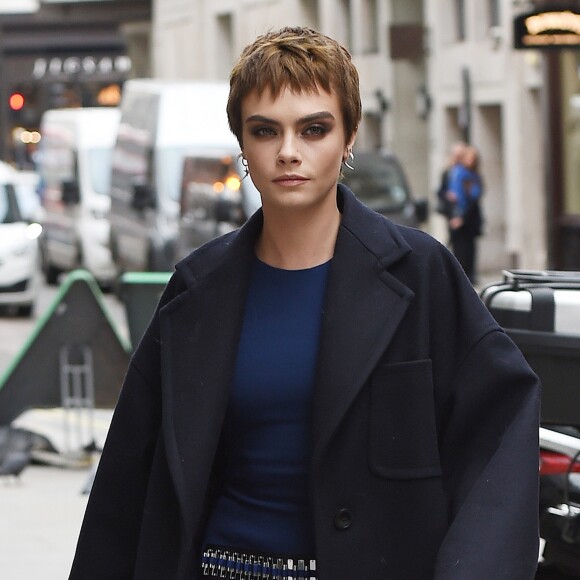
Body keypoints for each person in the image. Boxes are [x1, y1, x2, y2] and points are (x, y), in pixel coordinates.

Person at [69, 27, 540, 580]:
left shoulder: (422, 274)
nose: (289, 152)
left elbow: (500, 436)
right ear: (242, 145)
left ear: (349, 137)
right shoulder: (197, 289)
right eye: (265, 131)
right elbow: (128, 482)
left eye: (314, 129)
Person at [439, 144, 484, 284]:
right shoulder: (450, 173)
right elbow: (442, 193)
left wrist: (462, 218)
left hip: (468, 219)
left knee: (468, 249)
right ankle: (460, 277)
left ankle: (468, 276)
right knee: (458, 248)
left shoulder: (470, 176)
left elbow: (473, 199)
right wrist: (449, 199)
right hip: (454, 216)